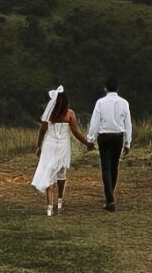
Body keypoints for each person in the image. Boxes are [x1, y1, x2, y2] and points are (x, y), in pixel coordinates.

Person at [30, 85, 93, 216]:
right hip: (63, 146)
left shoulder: (49, 114)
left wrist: (39, 146)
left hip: (49, 145)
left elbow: (42, 131)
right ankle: (59, 200)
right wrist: (87, 143)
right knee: (61, 172)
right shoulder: (70, 114)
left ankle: (49, 207)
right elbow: (75, 132)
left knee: (49, 172)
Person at [87, 76, 132, 210]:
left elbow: (95, 122)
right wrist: (128, 142)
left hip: (104, 136)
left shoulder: (100, 103)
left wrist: (90, 139)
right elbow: (128, 123)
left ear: (105, 88)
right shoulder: (124, 103)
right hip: (118, 136)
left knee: (105, 168)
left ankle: (110, 199)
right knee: (114, 167)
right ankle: (110, 195)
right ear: (117, 88)